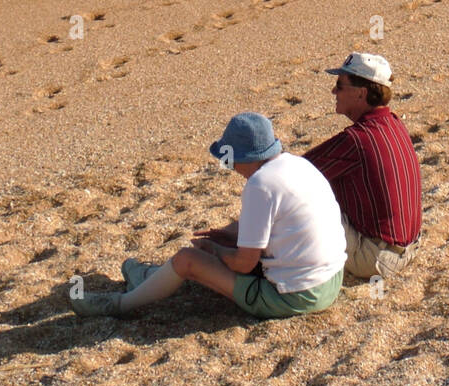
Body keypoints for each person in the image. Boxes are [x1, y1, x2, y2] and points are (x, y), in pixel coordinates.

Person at [69, 112, 346, 321]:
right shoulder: (298, 165)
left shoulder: (260, 185)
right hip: (331, 283)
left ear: (243, 157)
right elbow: (282, 226)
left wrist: (216, 251)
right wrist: (232, 236)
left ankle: (119, 305)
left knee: (187, 259)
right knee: (214, 250)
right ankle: (150, 277)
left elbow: (243, 264)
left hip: (296, 297)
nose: (230, 167)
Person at [304, 52, 422, 281]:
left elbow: (295, 172)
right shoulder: (393, 123)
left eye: (340, 85)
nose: (334, 92)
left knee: (300, 200)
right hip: (409, 248)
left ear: (361, 93)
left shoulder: (358, 138)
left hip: (375, 258)